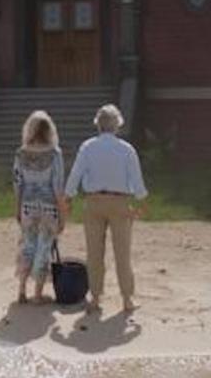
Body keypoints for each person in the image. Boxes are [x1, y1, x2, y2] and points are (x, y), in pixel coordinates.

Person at [64, 104, 148, 313]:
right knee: (122, 253)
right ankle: (127, 298)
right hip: (120, 202)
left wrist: (68, 196)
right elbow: (136, 180)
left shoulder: (87, 147)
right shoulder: (127, 149)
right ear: (117, 125)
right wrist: (142, 200)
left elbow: (76, 174)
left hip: (93, 202)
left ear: (98, 125)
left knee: (94, 253)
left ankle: (95, 296)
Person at [12, 110, 67, 304]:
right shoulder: (55, 154)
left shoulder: (21, 153)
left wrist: (17, 209)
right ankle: (37, 294)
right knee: (44, 248)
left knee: (27, 246)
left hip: (27, 205)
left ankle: (21, 290)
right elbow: (58, 187)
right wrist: (63, 215)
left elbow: (18, 184)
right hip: (49, 207)